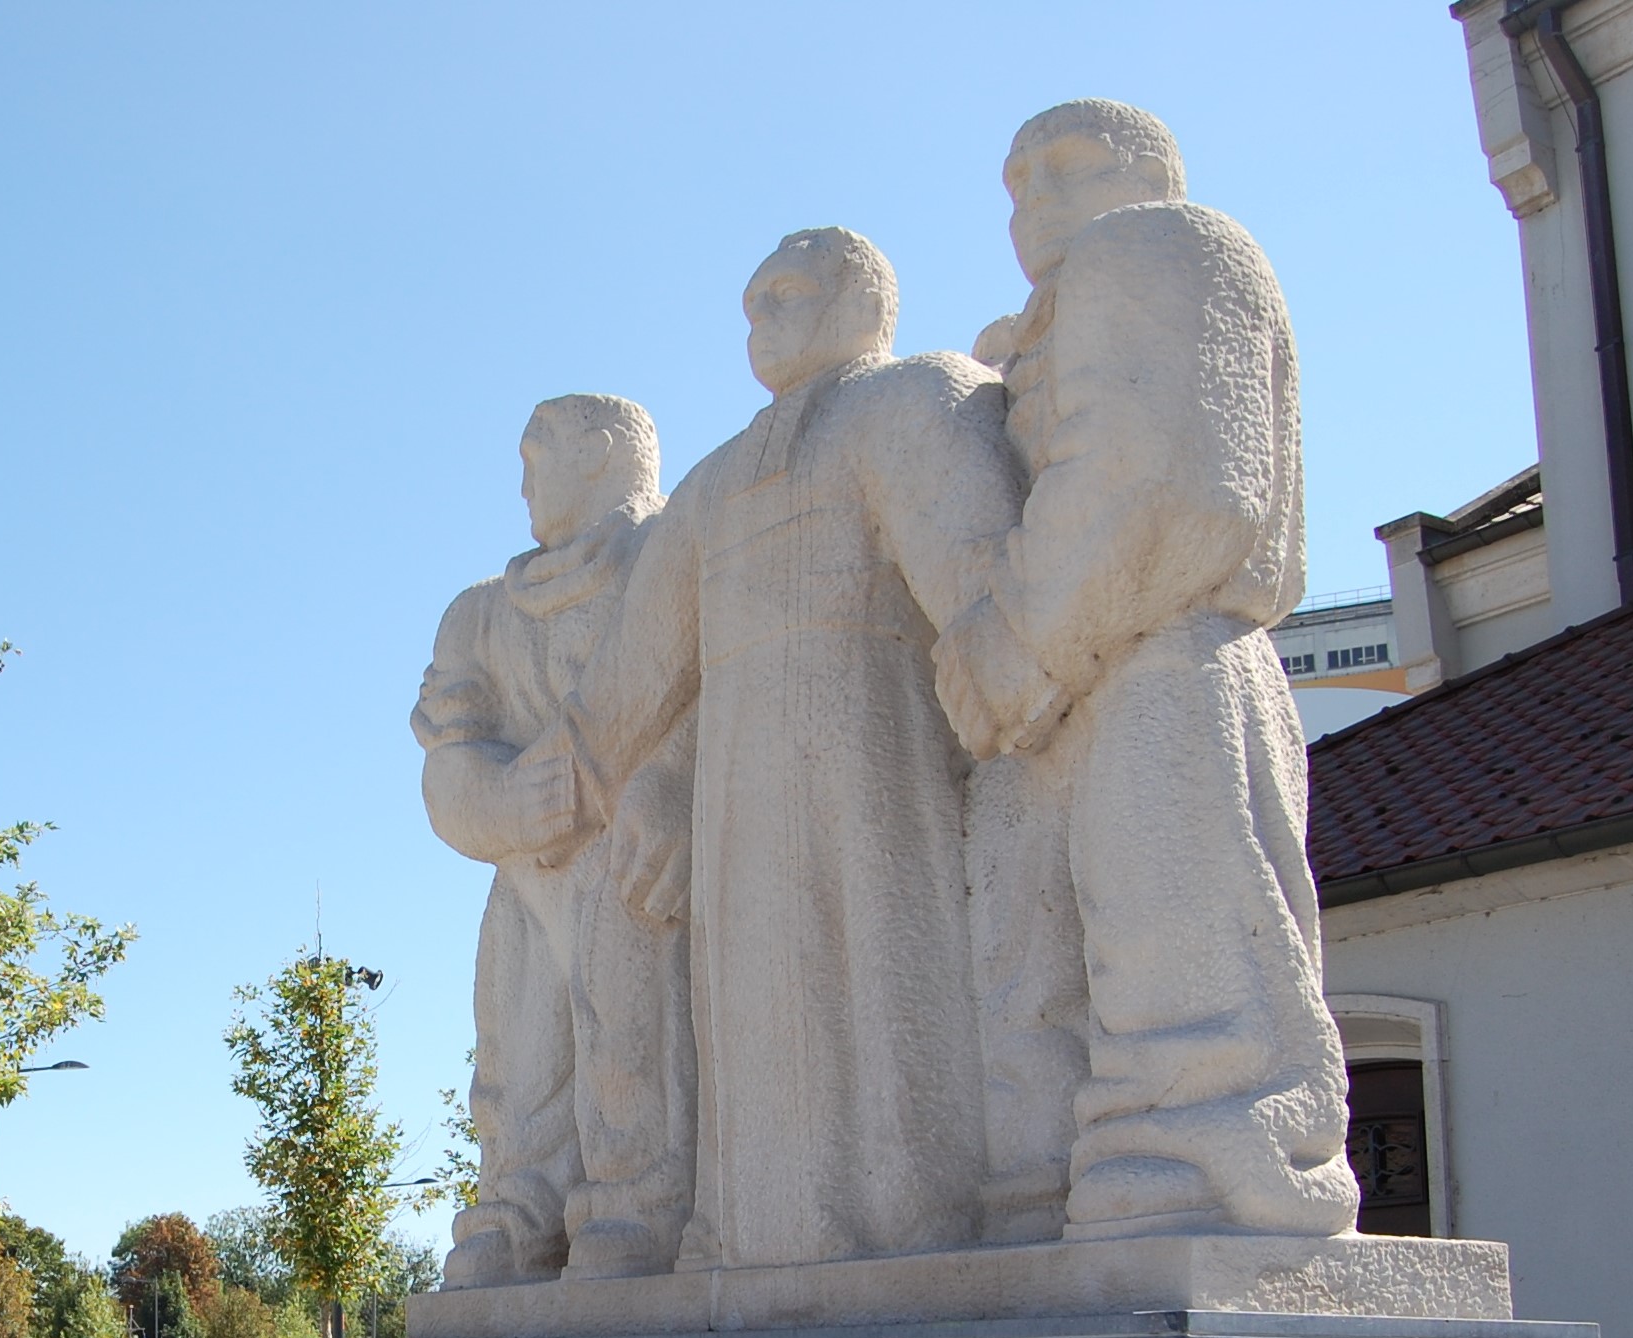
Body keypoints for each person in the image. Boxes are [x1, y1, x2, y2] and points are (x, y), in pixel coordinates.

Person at [561, 228, 1026, 1270]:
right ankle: (751, 1239)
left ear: (861, 296)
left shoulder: (915, 400)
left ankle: (919, 1225)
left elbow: (988, 596)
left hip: (881, 758)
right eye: (748, 303)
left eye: (783, 292)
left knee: (885, 986)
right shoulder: (713, 483)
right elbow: (634, 687)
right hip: (736, 799)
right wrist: (641, 780)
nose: (757, 317)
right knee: (758, 1025)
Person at [936, 100, 1360, 1240]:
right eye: (1012, 179)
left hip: (1152, 652)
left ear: (1147, 170)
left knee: (1178, 950)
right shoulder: (1037, 324)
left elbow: (1164, 475)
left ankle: (1203, 1156)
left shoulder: (1161, 244)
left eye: (1065, 164)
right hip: (1067, 685)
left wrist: (1009, 646)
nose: (1031, 196)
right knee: (1033, 975)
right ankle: (1072, 1180)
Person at [412, 395, 697, 1287]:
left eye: (538, 456)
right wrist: (503, 803)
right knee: (519, 1050)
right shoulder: (480, 613)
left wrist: (677, 785)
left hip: (645, 853)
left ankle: (637, 1201)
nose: (523, 482)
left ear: (604, 451)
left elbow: (730, 686)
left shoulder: (681, 552)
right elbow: (447, 764)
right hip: (526, 882)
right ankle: (518, 1207)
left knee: (637, 1026)